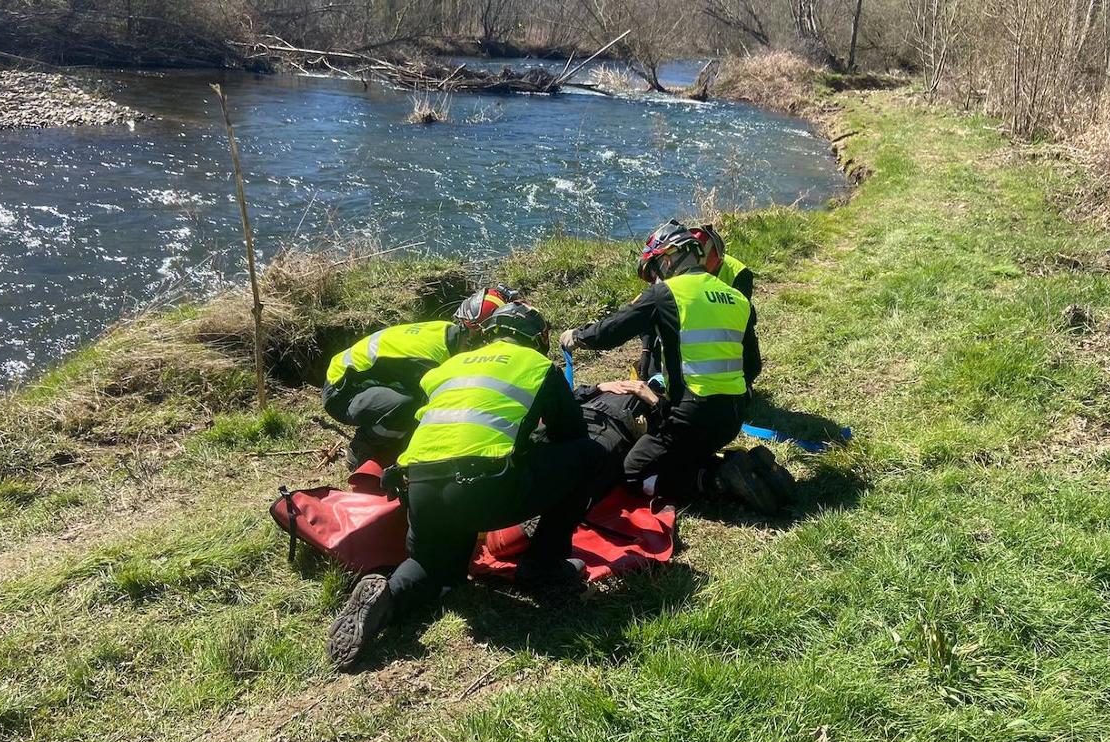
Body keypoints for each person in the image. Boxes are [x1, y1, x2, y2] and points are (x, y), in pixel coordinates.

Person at [326, 302, 605, 669]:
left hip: (421, 487)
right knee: (588, 456)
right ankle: (544, 565)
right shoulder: (538, 367)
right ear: (537, 340)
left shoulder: (448, 367)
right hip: (481, 487)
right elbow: (569, 436)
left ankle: (388, 595)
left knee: (431, 567)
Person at [559, 220, 772, 509]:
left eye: (656, 268)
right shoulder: (737, 298)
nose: (656, 277)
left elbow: (611, 331)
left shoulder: (666, 295)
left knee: (633, 472)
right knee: (679, 449)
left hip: (692, 417)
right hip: (733, 416)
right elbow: (753, 366)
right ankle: (743, 467)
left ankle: (715, 480)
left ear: (670, 257)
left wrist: (576, 336)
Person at [321, 285, 517, 468]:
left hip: (359, 381)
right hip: (342, 393)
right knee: (412, 405)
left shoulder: (446, 333)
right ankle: (362, 448)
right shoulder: (429, 359)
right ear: (476, 336)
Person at [637, 221, 754, 380]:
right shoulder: (670, 266)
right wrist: (646, 350)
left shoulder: (739, 273)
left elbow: (739, 323)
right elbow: (648, 311)